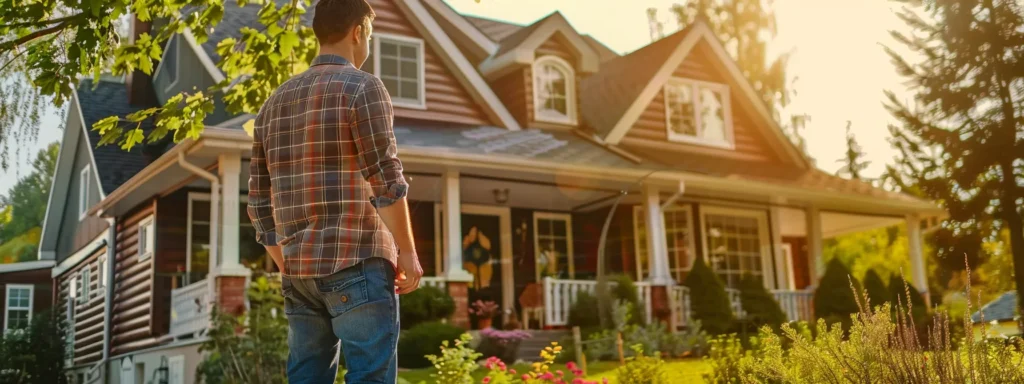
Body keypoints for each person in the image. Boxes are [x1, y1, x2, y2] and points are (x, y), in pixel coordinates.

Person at [246, 0, 423, 382]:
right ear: (358, 31)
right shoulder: (363, 87)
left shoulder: (272, 104)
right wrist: (407, 252)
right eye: (370, 35)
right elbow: (385, 176)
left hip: (298, 272)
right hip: (357, 259)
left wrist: (286, 263)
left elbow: (259, 203)